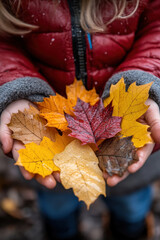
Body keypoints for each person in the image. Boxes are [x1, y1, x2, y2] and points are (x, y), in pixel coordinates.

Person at [0, 0, 160, 239]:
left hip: (127, 150)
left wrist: (143, 81)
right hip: (52, 137)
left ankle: (131, 231)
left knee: (132, 206)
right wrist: (16, 89)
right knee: (57, 208)